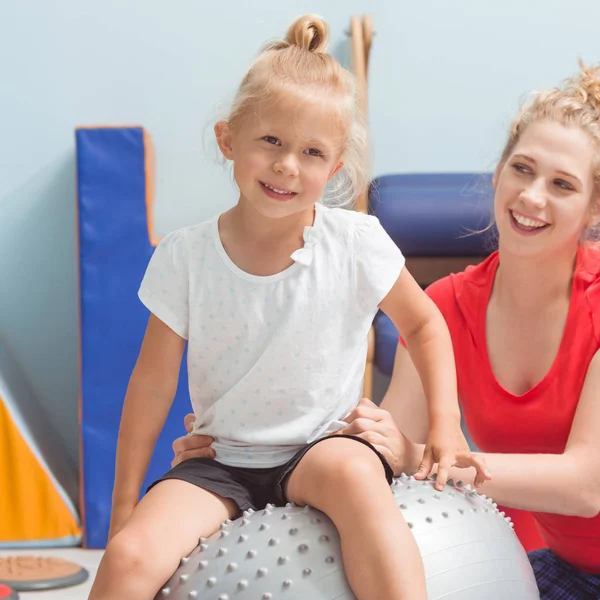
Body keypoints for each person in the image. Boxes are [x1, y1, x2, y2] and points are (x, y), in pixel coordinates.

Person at [88, 14, 488, 600]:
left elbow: (426, 324)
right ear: (228, 140)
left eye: (311, 152)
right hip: (219, 460)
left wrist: (447, 429)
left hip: (322, 445)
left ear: (335, 170)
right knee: (128, 557)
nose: (287, 166)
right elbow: (150, 384)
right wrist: (124, 509)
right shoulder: (185, 256)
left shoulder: (355, 242)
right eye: (270, 141)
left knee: (358, 483)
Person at [174, 62, 600, 599]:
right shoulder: (445, 306)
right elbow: (382, 442)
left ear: (593, 207)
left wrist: (422, 454)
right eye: (522, 169)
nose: (532, 197)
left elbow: (588, 486)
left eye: (562, 184)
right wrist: (243, 444)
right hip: (557, 566)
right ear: (498, 174)